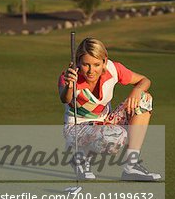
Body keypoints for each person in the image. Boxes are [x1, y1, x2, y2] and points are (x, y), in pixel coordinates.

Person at [58, 37, 161, 181]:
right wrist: (70, 85)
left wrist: (136, 91)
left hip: (105, 121)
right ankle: (79, 157)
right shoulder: (68, 77)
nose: (91, 71)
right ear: (78, 62)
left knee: (144, 99)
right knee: (114, 137)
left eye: (96, 64)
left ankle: (131, 166)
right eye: (86, 64)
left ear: (105, 61)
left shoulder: (113, 69)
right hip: (77, 128)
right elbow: (65, 99)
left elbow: (144, 80)